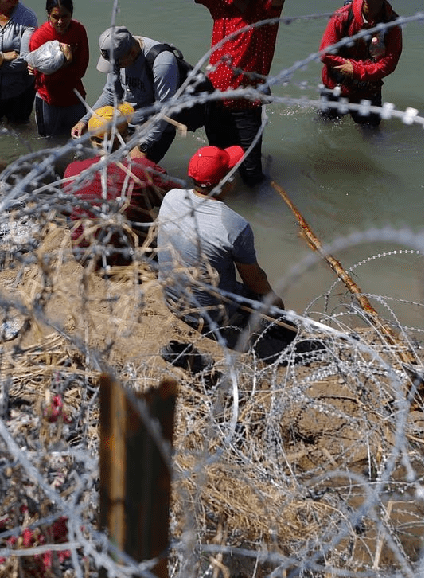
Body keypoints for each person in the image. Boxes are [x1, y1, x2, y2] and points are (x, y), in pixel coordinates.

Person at [156, 145, 301, 361]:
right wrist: (277, 303)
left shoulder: (171, 197)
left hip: (172, 301)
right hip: (209, 317)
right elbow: (255, 279)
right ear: (227, 182)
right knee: (273, 311)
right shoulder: (234, 225)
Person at [62, 104, 178, 271]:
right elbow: (178, 194)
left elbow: (67, 211)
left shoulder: (73, 170)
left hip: (86, 258)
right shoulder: (141, 169)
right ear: (123, 137)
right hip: (128, 260)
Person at [73, 26, 210, 164]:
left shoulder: (161, 62)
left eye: (117, 65)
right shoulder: (117, 52)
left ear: (132, 53)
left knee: (137, 175)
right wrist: (85, 120)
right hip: (130, 125)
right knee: (112, 168)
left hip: (158, 128)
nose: (115, 68)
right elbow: (110, 94)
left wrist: (143, 146)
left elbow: (165, 111)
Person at [196, 0, 285, 186]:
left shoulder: (265, 10)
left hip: (246, 105)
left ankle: (256, 211)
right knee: (216, 168)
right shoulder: (221, 6)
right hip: (215, 101)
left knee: (251, 174)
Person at [318, 0, 402, 128]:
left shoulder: (393, 24)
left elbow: (388, 64)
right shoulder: (342, 16)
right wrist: (352, 66)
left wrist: (356, 70)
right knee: (324, 129)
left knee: (372, 137)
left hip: (368, 92)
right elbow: (326, 54)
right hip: (334, 87)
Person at [26, 0, 88, 137]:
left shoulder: (78, 31)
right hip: (48, 101)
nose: (60, 22)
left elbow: (82, 68)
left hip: (74, 98)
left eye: (64, 16)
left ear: (71, 14)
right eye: (55, 17)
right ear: (48, 15)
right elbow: (40, 78)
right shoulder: (38, 37)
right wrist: (65, 61)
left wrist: (54, 65)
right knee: (49, 144)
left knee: (79, 143)